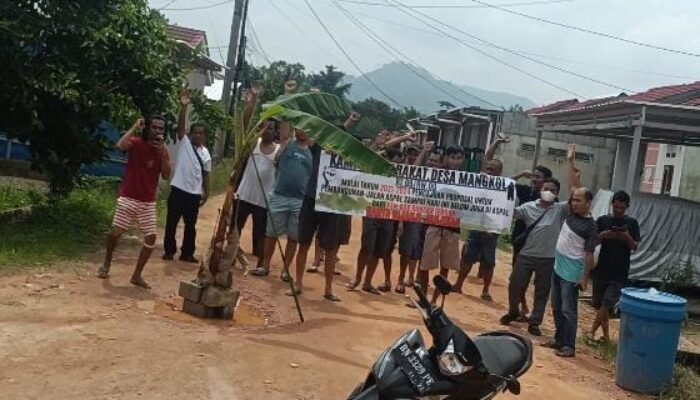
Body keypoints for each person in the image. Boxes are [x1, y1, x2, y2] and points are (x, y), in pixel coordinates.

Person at [292, 111, 361, 301]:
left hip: (331, 203)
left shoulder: (347, 155)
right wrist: (349, 122)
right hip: (311, 198)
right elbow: (311, 132)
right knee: (303, 243)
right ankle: (298, 283)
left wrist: (351, 123)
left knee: (330, 248)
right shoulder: (317, 147)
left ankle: (328, 289)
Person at [98, 116, 172, 289]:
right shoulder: (137, 143)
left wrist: (163, 153)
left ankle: (137, 275)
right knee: (115, 233)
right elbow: (120, 146)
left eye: (161, 129)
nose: (158, 132)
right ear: (147, 129)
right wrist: (134, 127)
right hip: (129, 197)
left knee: (151, 238)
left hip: (147, 201)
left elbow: (167, 175)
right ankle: (107, 260)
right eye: (154, 127)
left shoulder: (162, 151)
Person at [545, 145, 598, 358]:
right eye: (573, 200)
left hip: (572, 273)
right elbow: (574, 186)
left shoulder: (591, 226)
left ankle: (569, 346)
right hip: (558, 267)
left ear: (588, 203)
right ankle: (559, 340)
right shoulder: (572, 213)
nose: (573, 202)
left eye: (578, 201)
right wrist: (570, 162)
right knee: (557, 307)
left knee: (569, 310)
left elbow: (589, 254)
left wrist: (585, 278)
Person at [499, 178, 568, 336]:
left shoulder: (560, 209)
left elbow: (575, 194)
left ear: (557, 193)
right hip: (526, 254)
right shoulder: (528, 207)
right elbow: (510, 213)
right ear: (540, 189)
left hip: (548, 258)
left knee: (542, 291)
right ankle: (513, 311)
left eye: (553, 190)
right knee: (515, 284)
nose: (548, 192)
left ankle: (535, 322)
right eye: (546, 188)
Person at [252, 125, 309, 279]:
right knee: (271, 234)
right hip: (279, 195)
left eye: (305, 128)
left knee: (293, 237)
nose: (301, 131)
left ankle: (285, 270)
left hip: (300, 199)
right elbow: (285, 128)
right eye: (299, 127)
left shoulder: (312, 151)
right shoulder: (287, 143)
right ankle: (265, 265)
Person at [233, 85, 280, 271]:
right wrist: (253, 100)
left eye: (271, 128)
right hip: (244, 194)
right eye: (264, 127)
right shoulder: (254, 143)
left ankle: (261, 264)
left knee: (261, 233)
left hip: (264, 200)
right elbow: (245, 122)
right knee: (234, 229)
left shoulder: (277, 151)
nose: (267, 130)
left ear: (275, 132)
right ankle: (229, 257)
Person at [163, 92, 212, 263]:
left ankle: (187, 253)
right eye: (195, 133)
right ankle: (169, 251)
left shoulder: (206, 153)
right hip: (178, 189)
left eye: (201, 133)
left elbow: (206, 174)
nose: (198, 135)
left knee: (191, 226)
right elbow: (180, 127)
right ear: (191, 134)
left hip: (194, 194)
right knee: (171, 223)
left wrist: (207, 192)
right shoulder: (184, 143)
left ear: (204, 136)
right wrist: (184, 106)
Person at [589, 190, 640, 342]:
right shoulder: (602, 220)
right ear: (612, 204)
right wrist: (603, 235)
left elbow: (635, 246)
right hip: (601, 270)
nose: (618, 210)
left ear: (627, 207)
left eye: (621, 208)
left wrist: (626, 237)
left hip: (619, 272)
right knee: (599, 305)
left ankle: (591, 332)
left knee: (606, 304)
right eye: (616, 207)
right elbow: (592, 242)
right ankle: (605, 336)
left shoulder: (632, 223)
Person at [451, 157, 504, 301]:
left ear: (499, 173)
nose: (488, 170)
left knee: (488, 262)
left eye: (492, 169)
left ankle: (486, 290)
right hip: (475, 227)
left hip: (491, 231)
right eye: (488, 167)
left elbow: (504, 211)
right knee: (467, 257)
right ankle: (458, 284)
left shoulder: (503, 188)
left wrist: (493, 230)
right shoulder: (478, 183)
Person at [417, 146, 465, 302]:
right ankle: (423, 297)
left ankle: (434, 301)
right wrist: (424, 151)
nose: (455, 161)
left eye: (459, 157)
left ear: (462, 160)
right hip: (433, 223)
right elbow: (414, 172)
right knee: (425, 263)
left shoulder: (466, 179)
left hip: (452, 226)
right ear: (446, 158)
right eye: (452, 157)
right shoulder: (435, 174)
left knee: (445, 266)